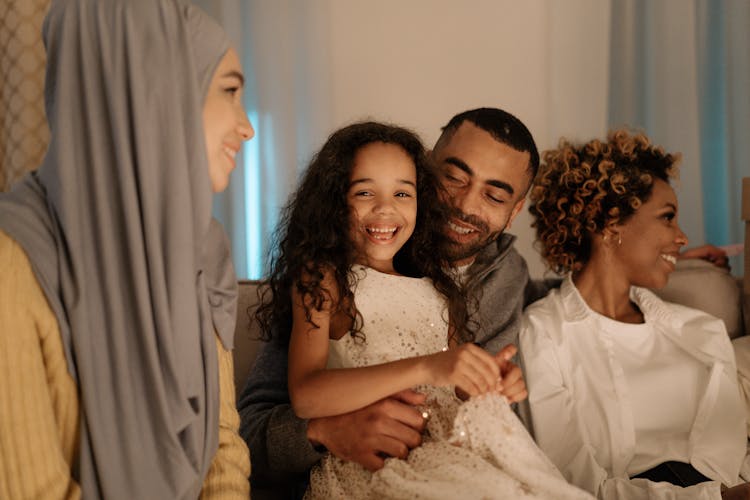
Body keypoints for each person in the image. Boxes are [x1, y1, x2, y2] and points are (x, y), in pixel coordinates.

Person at [255, 120, 591, 498]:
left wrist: (489, 381)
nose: (385, 208)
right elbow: (304, 396)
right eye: (365, 192)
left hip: (449, 453)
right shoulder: (323, 279)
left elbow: (453, 384)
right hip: (378, 467)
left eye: (402, 194)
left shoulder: (442, 288)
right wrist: (428, 366)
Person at [0, 1, 253, 498]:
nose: (246, 126)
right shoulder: (12, 265)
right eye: (229, 91)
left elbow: (223, 449)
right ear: (156, 92)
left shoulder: (205, 248)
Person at [520, 129, 750, 499]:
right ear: (610, 225)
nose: (682, 237)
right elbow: (573, 484)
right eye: (667, 217)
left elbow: (735, 458)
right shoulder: (545, 333)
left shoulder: (703, 330)